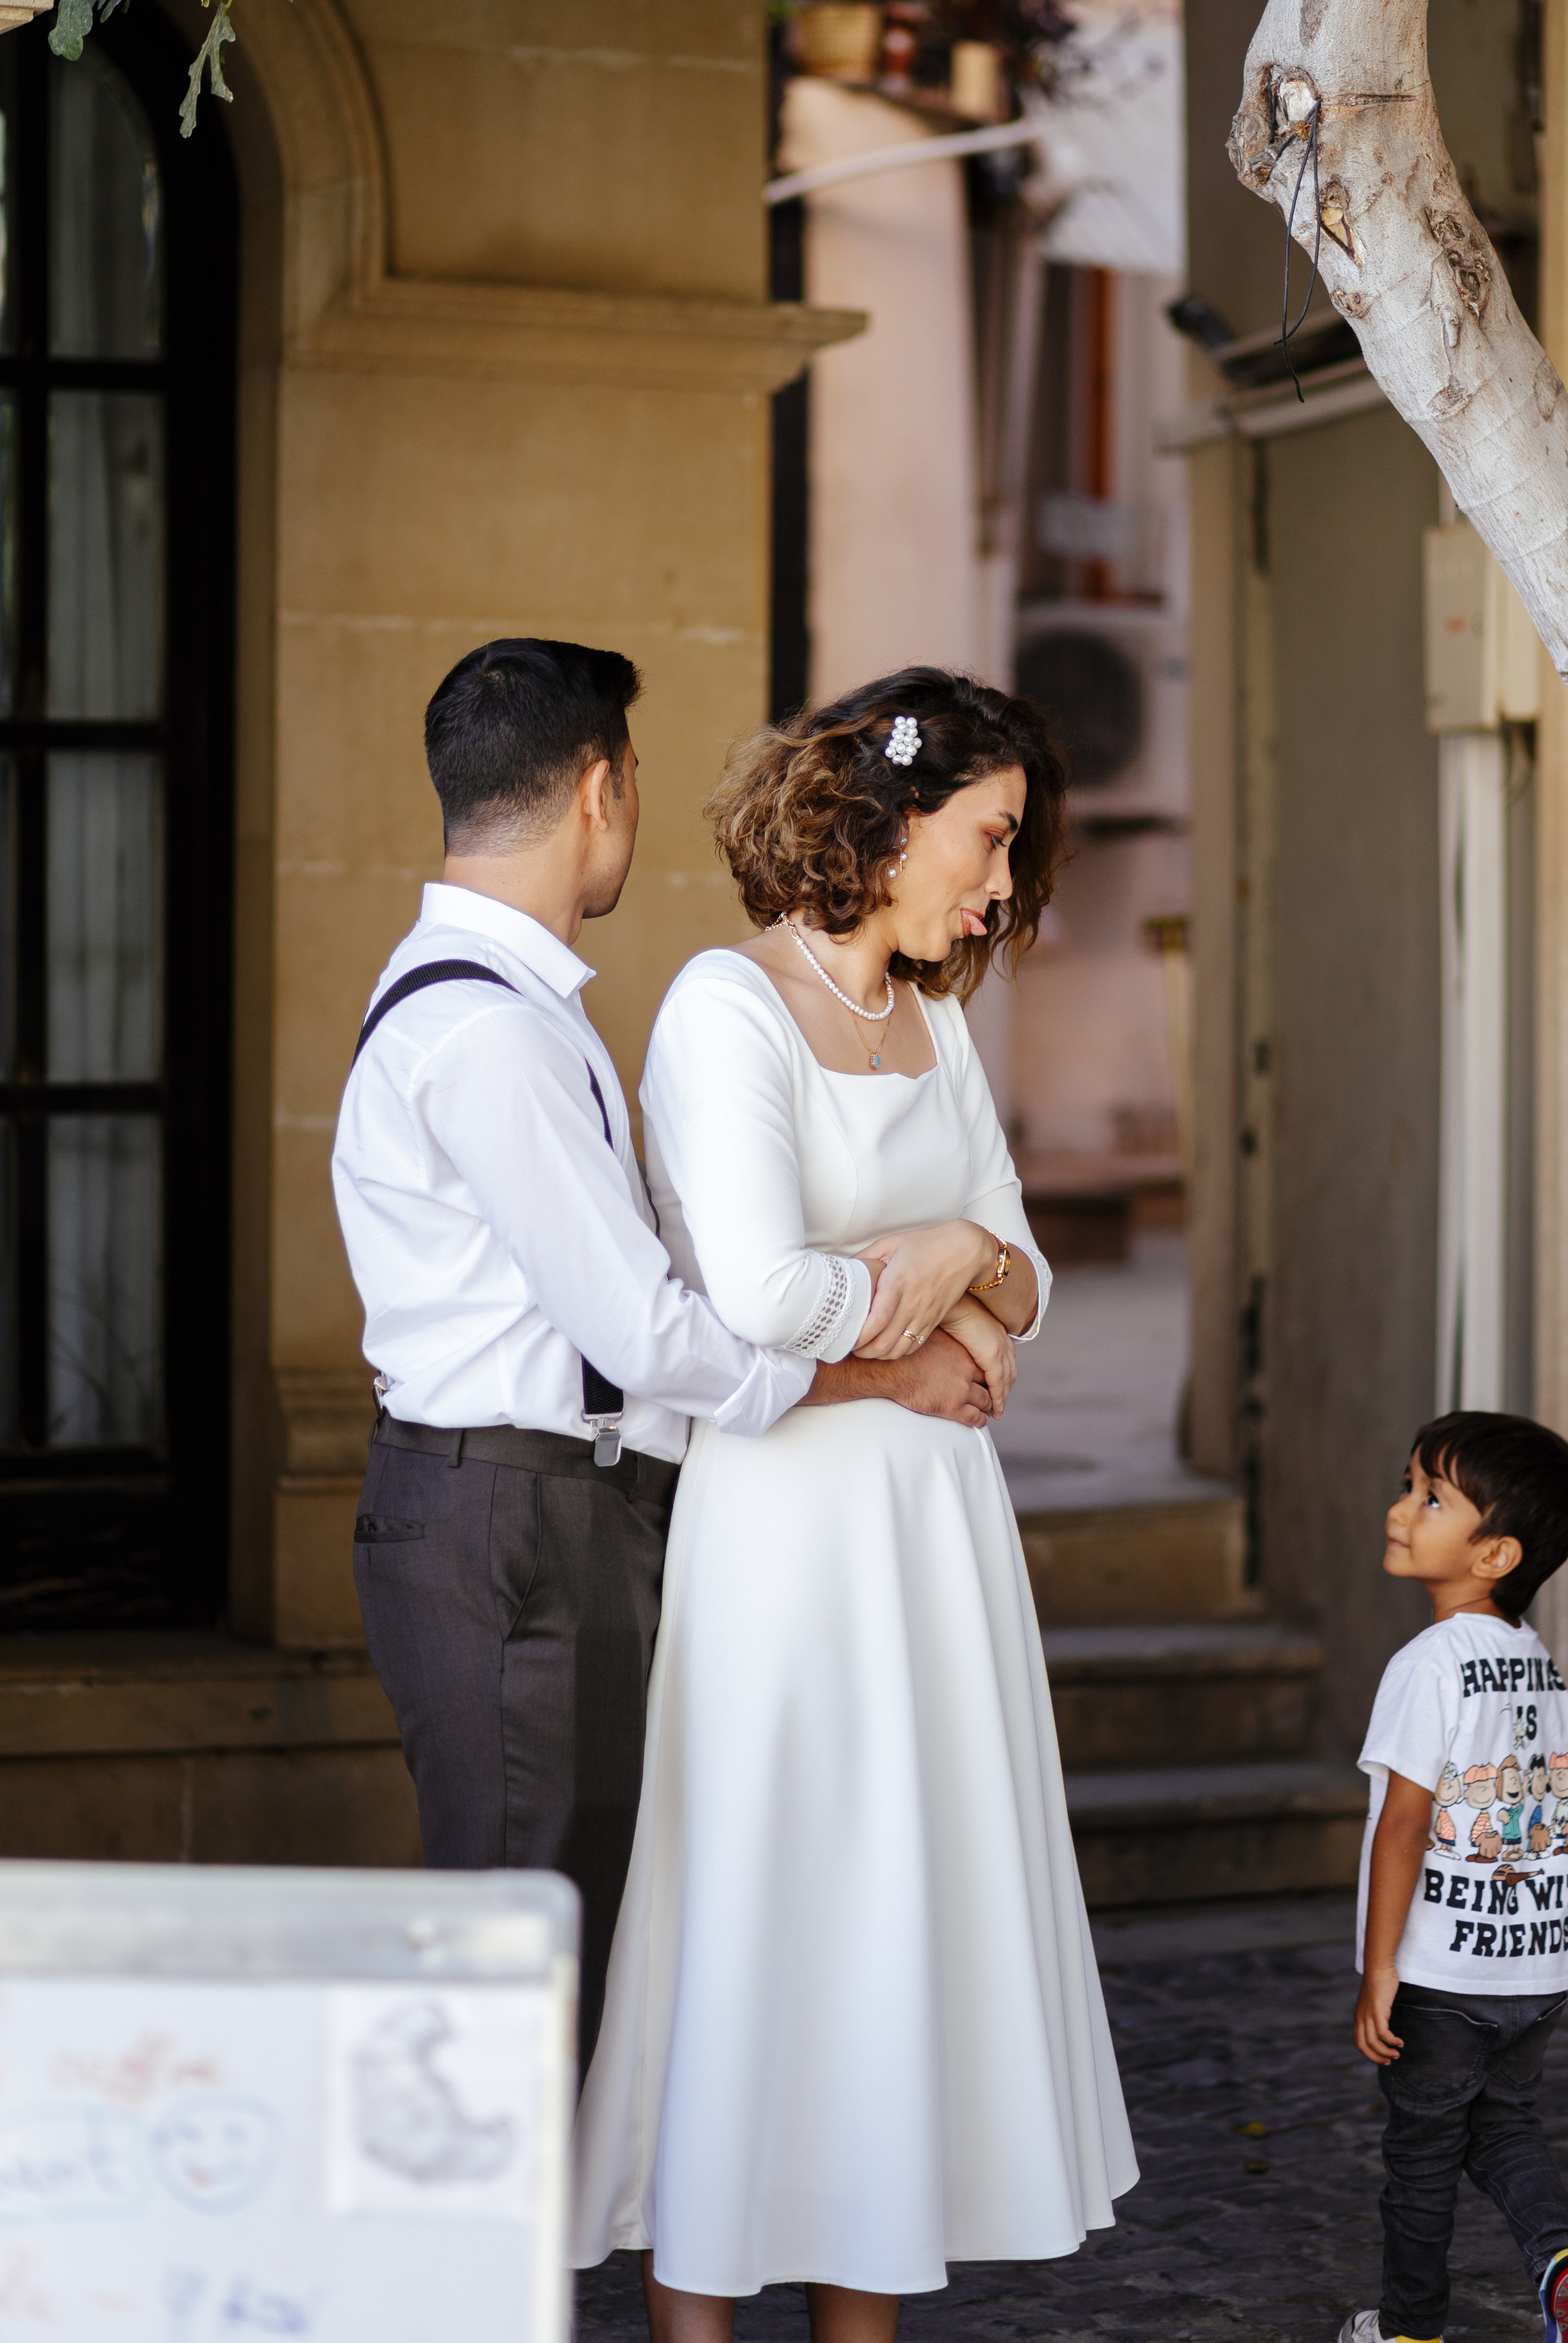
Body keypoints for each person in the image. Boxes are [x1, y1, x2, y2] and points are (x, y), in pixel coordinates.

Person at [574, 667, 1137, 2342]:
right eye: (986, 839)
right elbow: (756, 1298)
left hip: (938, 1547)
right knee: (765, 1920)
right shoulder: (721, 1009)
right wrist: (929, 1297)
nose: (996, 883)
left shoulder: (936, 1020)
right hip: (787, 1540)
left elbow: (1028, 1279)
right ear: (885, 821)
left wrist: (961, 1258)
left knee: (900, 1929)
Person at [332, 640, 994, 2065]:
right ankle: (486, 2292)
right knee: (526, 1972)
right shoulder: (487, 1033)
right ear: (601, 788)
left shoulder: (504, 1005)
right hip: (512, 1517)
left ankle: (522, 2286)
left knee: (556, 1961)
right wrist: (886, 1373)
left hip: (530, 1508)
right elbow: (638, 1328)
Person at [1339, 1413, 1568, 2343]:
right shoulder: (1541, 1672)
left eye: (1430, 1498)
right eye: (1409, 1484)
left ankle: (1410, 2330)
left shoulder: (1428, 1667)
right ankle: (1564, 2261)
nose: (1401, 1509)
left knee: (1421, 2157)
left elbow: (1403, 1830)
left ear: (1495, 1553)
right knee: (1504, 2131)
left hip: (1445, 1974)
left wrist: (1382, 1971)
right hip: (1532, 1969)